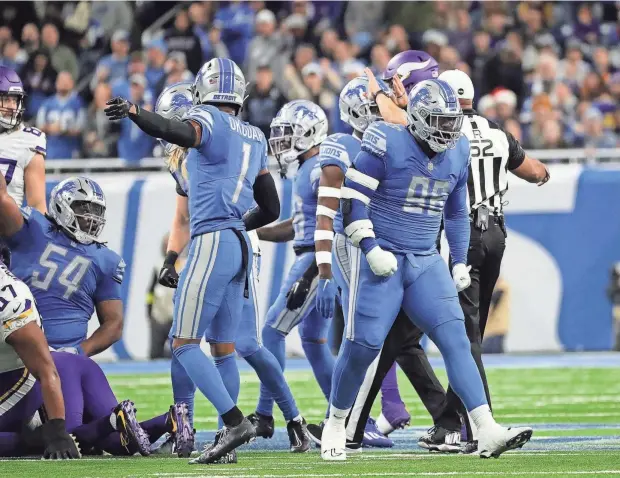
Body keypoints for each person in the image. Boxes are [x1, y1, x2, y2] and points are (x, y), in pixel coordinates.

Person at [320, 78, 533, 461]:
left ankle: (485, 429)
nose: (449, 130)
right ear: (417, 119)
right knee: (364, 343)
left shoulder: (458, 149)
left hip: (424, 259)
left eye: (452, 121)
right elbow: (351, 199)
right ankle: (336, 423)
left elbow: (455, 209)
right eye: (440, 121)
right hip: (382, 257)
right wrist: (368, 247)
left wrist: (458, 261)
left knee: (457, 339)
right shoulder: (386, 140)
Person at [104, 57, 281, 464]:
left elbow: (175, 129)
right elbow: (270, 207)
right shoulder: (255, 134)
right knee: (223, 347)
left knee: (183, 343)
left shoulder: (209, 121)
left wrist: (134, 111)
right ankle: (227, 439)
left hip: (213, 240)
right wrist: (238, 222)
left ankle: (234, 423)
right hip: (238, 241)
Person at [153, 82, 308, 459]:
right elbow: (183, 215)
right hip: (218, 240)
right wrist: (171, 258)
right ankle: (187, 426)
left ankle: (290, 419)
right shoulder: (188, 155)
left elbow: (248, 203)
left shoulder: (209, 141)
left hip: (232, 238)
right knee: (205, 342)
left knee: (240, 345)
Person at [434, 69, 549, 451]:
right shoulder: (497, 131)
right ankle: (449, 420)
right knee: (472, 331)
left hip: (461, 233)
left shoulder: (446, 130)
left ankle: (476, 426)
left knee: (465, 335)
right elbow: (536, 173)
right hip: (496, 233)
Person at [254, 100, 334, 428]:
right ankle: (351, 419)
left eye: (288, 134)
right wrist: (254, 229)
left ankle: (265, 412)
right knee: (313, 343)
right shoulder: (307, 170)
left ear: (309, 133)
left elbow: (335, 221)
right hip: (313, 254)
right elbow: (297, 225)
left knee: (272, 331)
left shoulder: (319, 169)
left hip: (315, 260)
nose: (280, 142)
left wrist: (324, 271)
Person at [0, 173, 79, 459]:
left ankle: (42, 431)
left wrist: (57, 430)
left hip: (19, 380)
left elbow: (45, 370)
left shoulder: (9, 300)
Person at [5, 177, 125, 357]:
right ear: (61, 206)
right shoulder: (33, 228)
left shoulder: (105, 259)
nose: (90, 216)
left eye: (96, 210)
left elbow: (114, 323)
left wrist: (78, 351)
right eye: (83, 208)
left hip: (64, 354)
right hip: (14, 346)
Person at [0, 66, 47, 213]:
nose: (12, 106)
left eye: (14, 100)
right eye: (5, 99)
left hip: (6, 231)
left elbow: (38, 207)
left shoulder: (28, 139)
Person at [36, 71, 85, 160]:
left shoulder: (78, 104)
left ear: (72, 83)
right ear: (56, 83)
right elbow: (39, 126)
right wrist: (50, 128)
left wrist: (63, 129)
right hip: (51, 150)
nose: (64, 84)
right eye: (61, 81)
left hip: (71, 150)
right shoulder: (47, 104)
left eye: (66, 81)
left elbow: (80, 128)